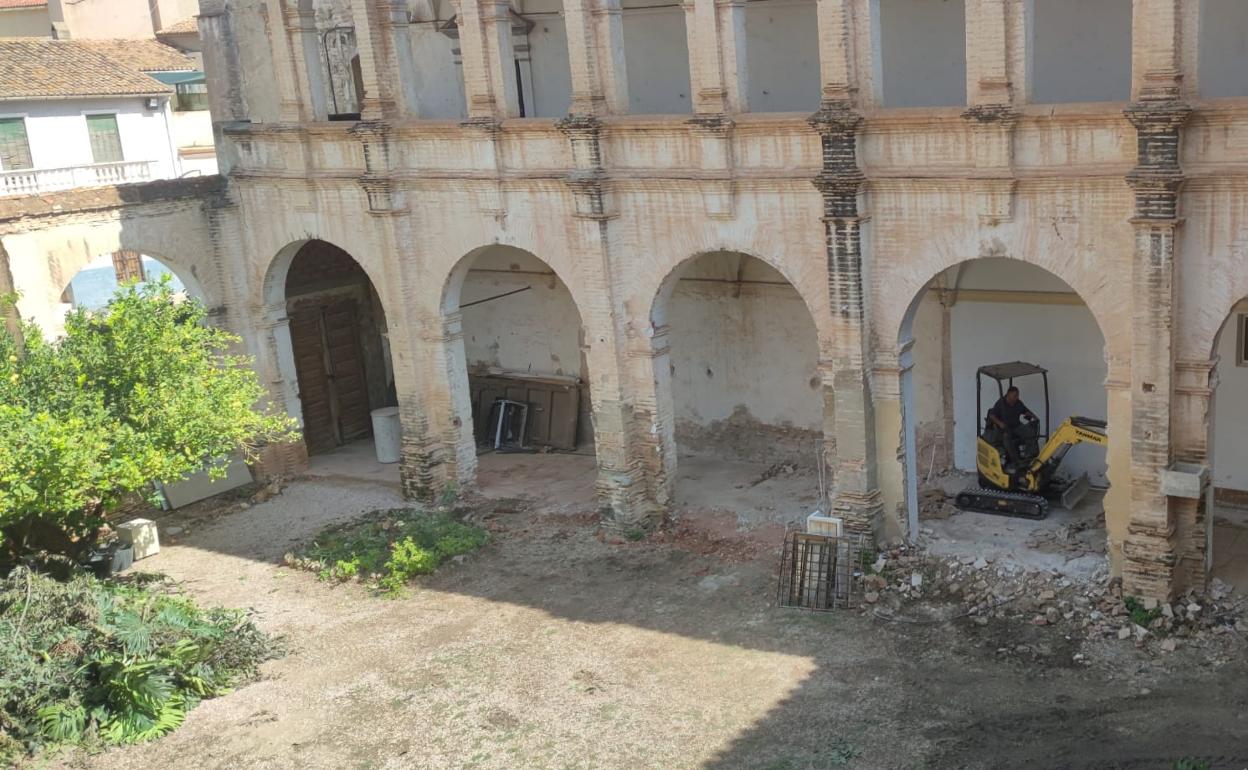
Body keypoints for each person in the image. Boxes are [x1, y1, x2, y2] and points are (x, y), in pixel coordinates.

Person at [985, 386, 1038, 467]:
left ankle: (1029, 456)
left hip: (1016, 426)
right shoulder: (1001, 403)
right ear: (1008, 395)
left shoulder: (1018, 403)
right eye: (1015, 396)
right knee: (1007, 439)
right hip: (1003, 428)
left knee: (1030, 432)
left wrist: (1034, 417)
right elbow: (992, 415)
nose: (1017, 397)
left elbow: (1025, 411)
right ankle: (1015, 461)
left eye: (1017, 395)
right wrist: (1000, 423)